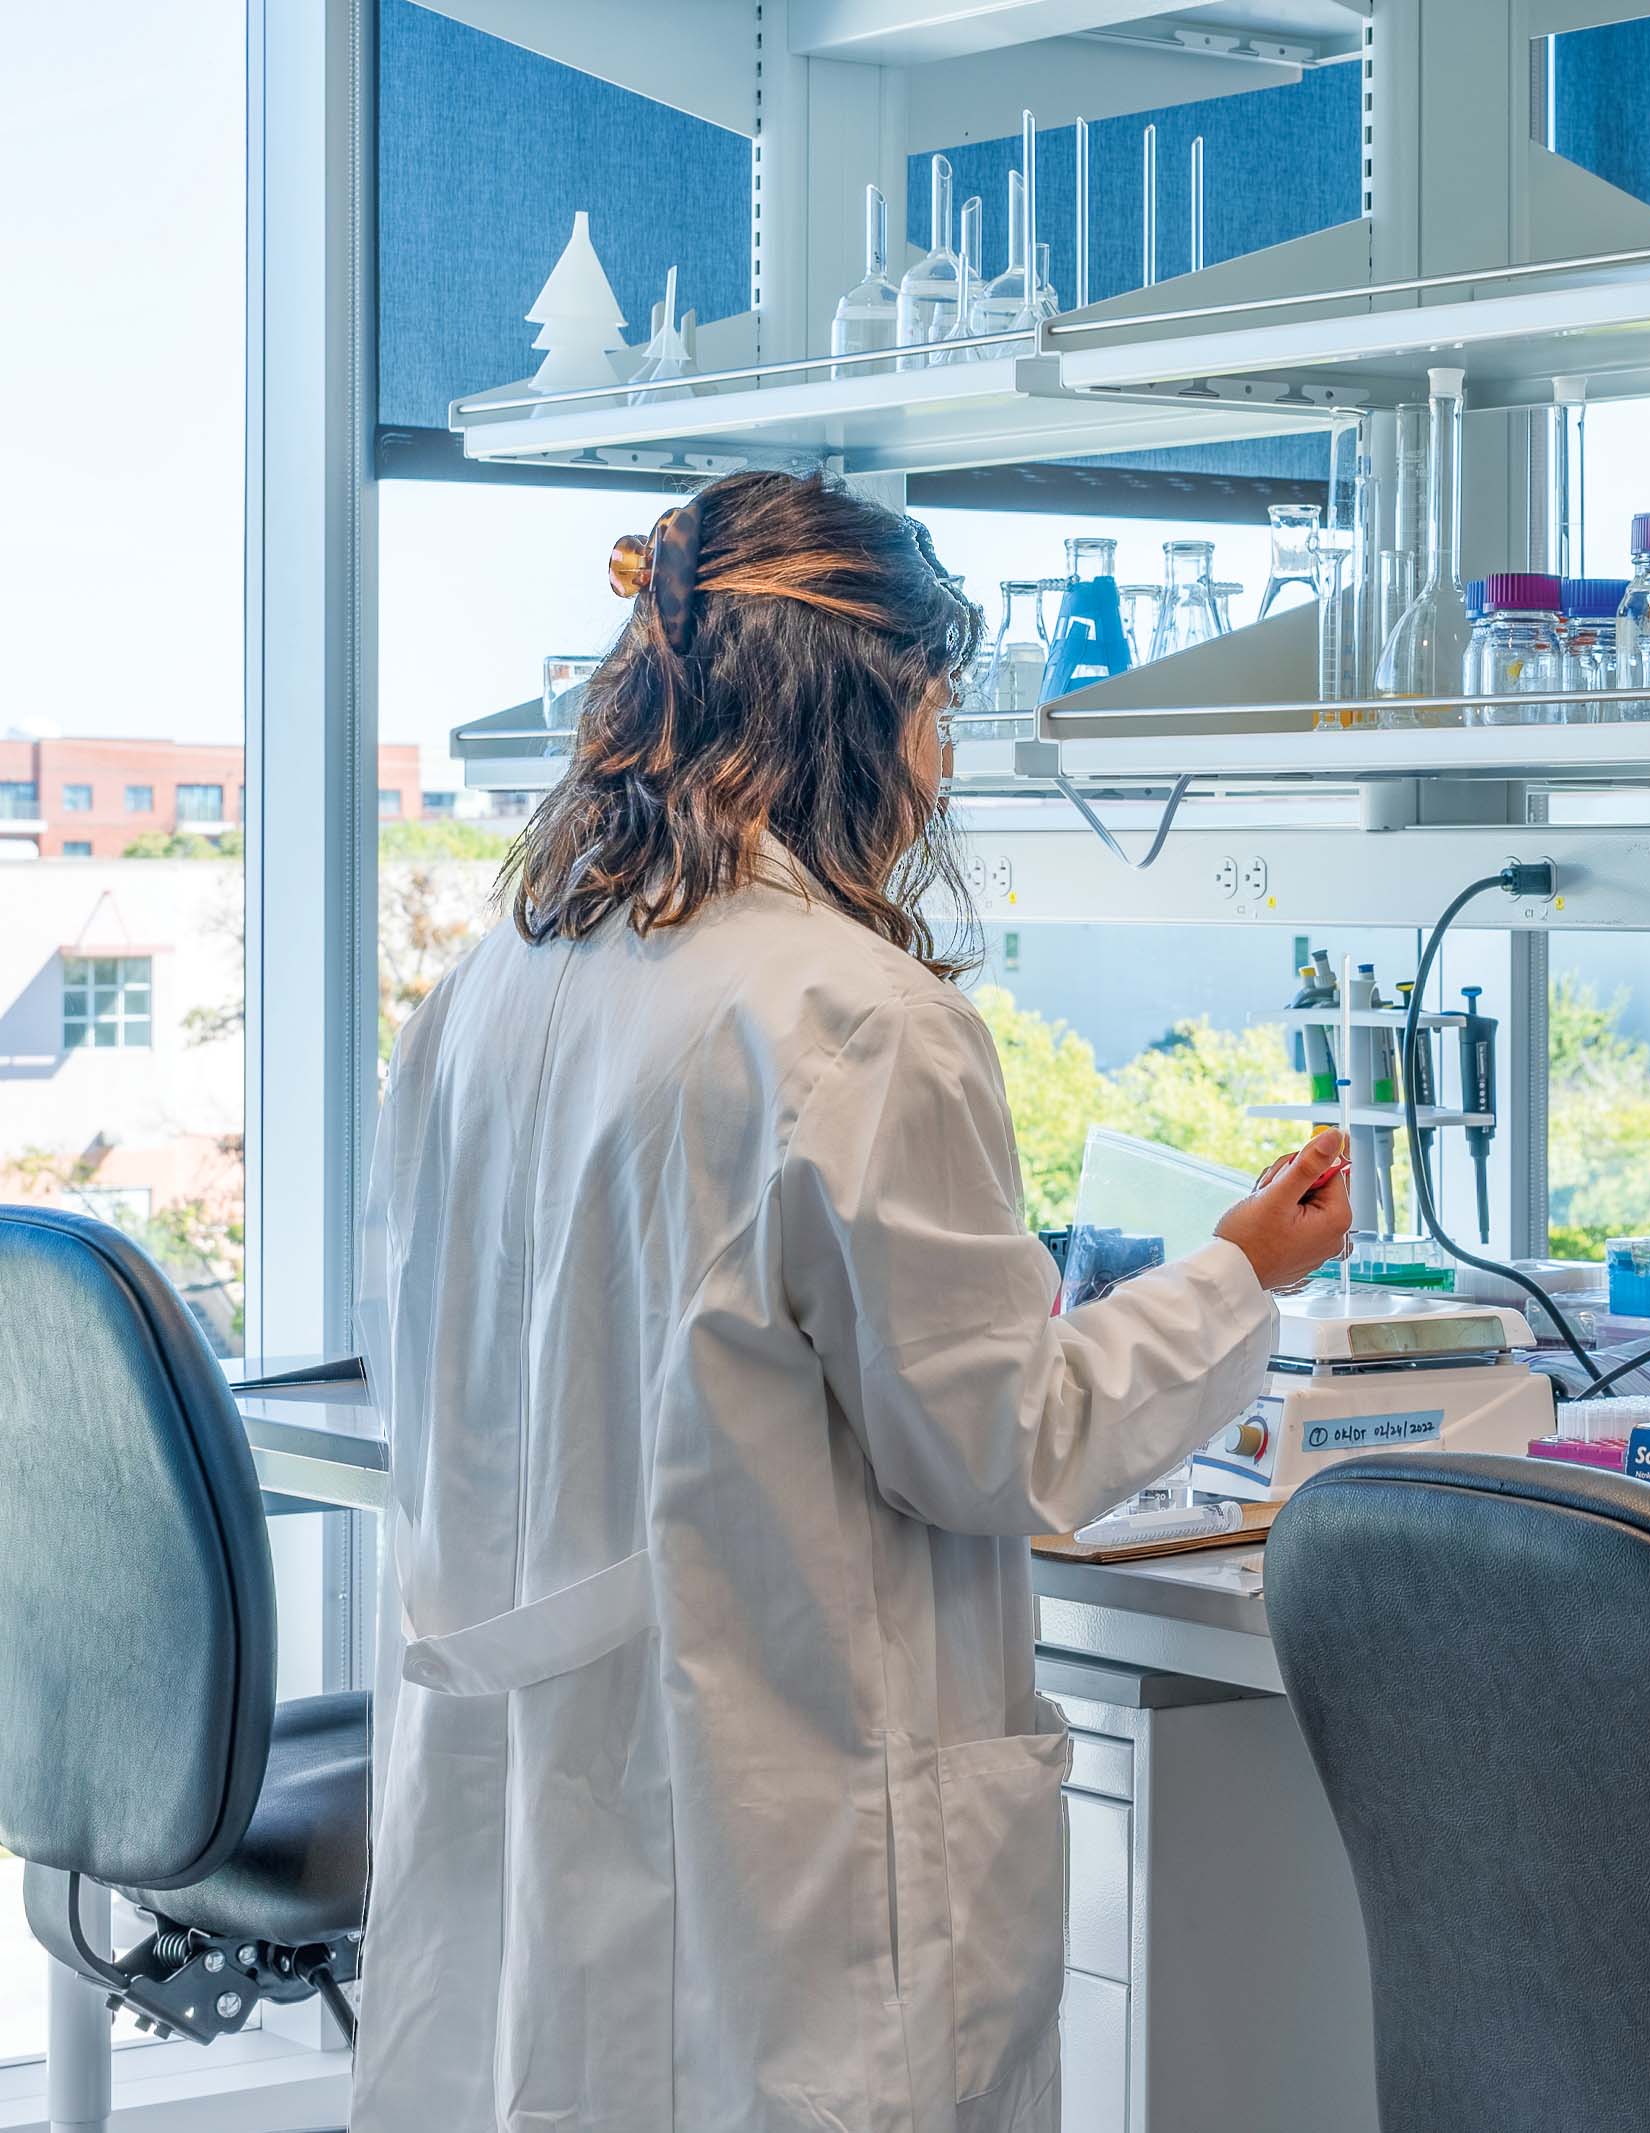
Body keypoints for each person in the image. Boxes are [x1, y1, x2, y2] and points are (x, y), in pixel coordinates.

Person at [352, 470, 1350, 2132]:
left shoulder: (497, 978)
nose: (945, 764)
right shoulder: (852, 1014)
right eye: (939, 710)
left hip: (557, 1782)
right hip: (777, 1821)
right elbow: (996, 1442)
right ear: (858, 708)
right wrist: (1241, 1270)